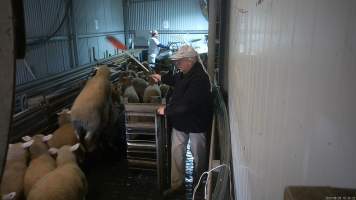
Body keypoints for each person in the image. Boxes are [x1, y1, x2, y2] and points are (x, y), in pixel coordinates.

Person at [150, 45, 213, 198]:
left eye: (180, 61)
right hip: (180, 121)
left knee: (199, 156)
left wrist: (166, 110)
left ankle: (201, 184)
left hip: (196, 123)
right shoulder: (185, 72)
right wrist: (161, 77)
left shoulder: (200, 78)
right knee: (177, 153)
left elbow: (187, 104)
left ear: (190, 60)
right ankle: (177, 185)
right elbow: (175, 80)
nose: (177, 64)